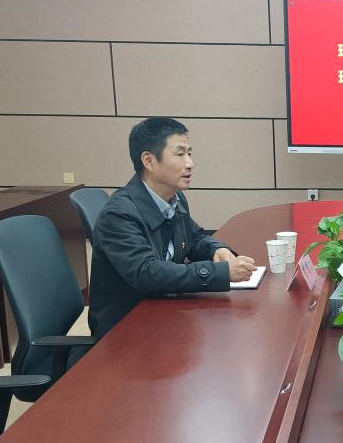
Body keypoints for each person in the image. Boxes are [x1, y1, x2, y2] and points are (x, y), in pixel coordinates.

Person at [89, 118, 257, 338]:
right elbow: (147, 273)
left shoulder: (174, 198)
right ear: (149, 160)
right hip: (126, 331)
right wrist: (221, 273)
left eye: (190, 153)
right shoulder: (119, 214)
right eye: (180, 154)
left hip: (163, 312)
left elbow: (194, 237)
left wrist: (217, 250)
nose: (190, 163)